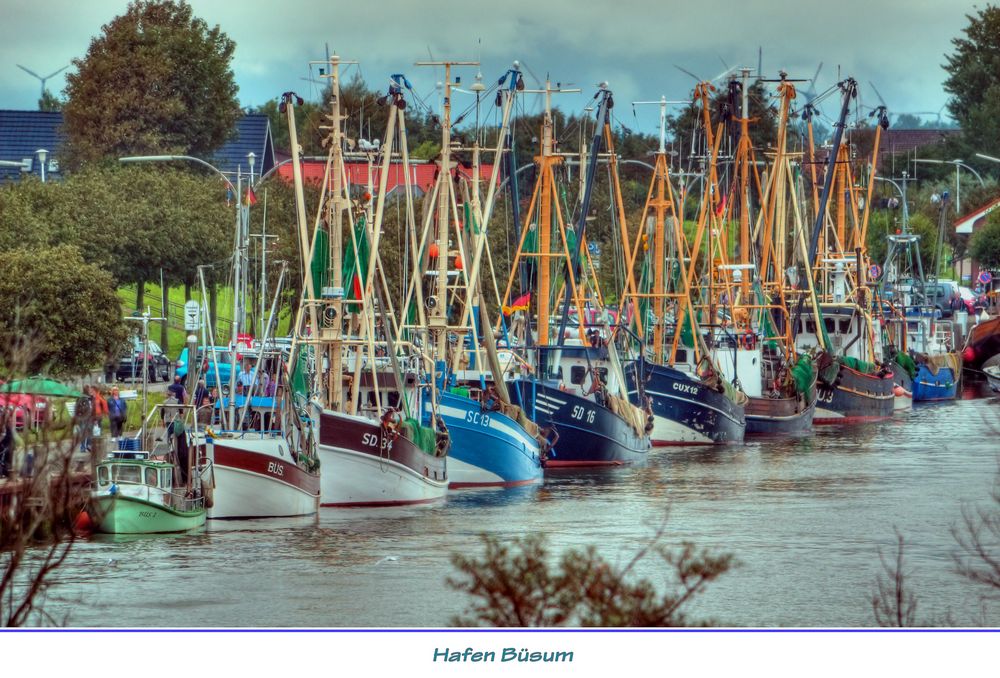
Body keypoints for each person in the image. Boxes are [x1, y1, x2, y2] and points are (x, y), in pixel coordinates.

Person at [74, 385, 95, 453]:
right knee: (83, 433)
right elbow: (77, 409)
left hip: (90, 417)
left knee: (90, 432)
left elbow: (93, 407)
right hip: (83, 418)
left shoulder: (91, 398)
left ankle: (88, 445)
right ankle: (82, 447)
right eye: (89, 390)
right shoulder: (81, 398)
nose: (90, 391)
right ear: (86, 390)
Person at [0, 409, 13, 479]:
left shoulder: (6, 427)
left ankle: (3, 472)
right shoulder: (5, 426)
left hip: (6, 447)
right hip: (5, 446)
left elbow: (3, 437)